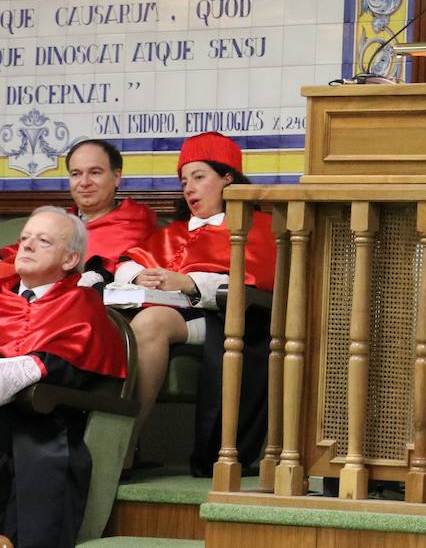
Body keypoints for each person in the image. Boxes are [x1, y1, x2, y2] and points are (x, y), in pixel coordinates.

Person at [114, 132, 277, 474]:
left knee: (150, 322)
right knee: (136, 322)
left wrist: (190, 282)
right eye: (184, 180)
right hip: (172, 312)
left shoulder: (256, 226)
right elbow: (130, 262)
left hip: (226, 319)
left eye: (199, 177)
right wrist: (136, 277)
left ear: (227, 178)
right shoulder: (174, 231)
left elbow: (257, 282)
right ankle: (112, 441)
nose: (189, 188)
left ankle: (123, 445)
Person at [0, 207, 126, 548]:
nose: (25, 246)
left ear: (70, 258)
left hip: (44, 426)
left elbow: (60, 367)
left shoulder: (81, 305)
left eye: (42, 241)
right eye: (24, 238)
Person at [0, 139, 158, 285]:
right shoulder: (58, 221)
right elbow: (17, 253)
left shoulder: (135, 222)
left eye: (95, 173)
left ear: (116, 177)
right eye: (76, 174)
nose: (84, 182)